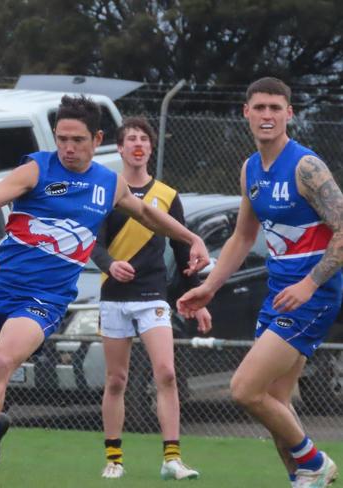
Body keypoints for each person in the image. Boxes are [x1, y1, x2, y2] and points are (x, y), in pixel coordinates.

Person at [0, 95, 210, 488]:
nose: (68, 148)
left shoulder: (109, 184)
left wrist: (191, 236)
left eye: (77, 140)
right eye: (62, 139)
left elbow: (147, 213)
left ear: (97, 139)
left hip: (45, 298)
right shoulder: (36, 169)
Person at [177, 77, 342, 488]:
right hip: (279, 295)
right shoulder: (251, 168)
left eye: (275, 107)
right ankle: (304, 479)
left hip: (313, 295)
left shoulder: (306, 166)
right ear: (245, 113)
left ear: (289, 113)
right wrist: (210, 286)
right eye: (259, 108)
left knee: (244, 390)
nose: (267, 115)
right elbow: (243, 237)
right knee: (276, 404)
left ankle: (315, 461)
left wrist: (309, 284)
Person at [91, 117, 212, 481]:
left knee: (167, 373)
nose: (138, 144)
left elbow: (183, 250)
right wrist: (111, 266)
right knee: (116, 380)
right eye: (131, 139)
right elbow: (93, 245)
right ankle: (114, 458)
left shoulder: (168, 195)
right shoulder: (107, 190)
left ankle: (172, 458)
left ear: (150, 147)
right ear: (121, 147)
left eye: (144, 138)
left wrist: (199, 297)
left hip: (152, 296)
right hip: (114, 297)